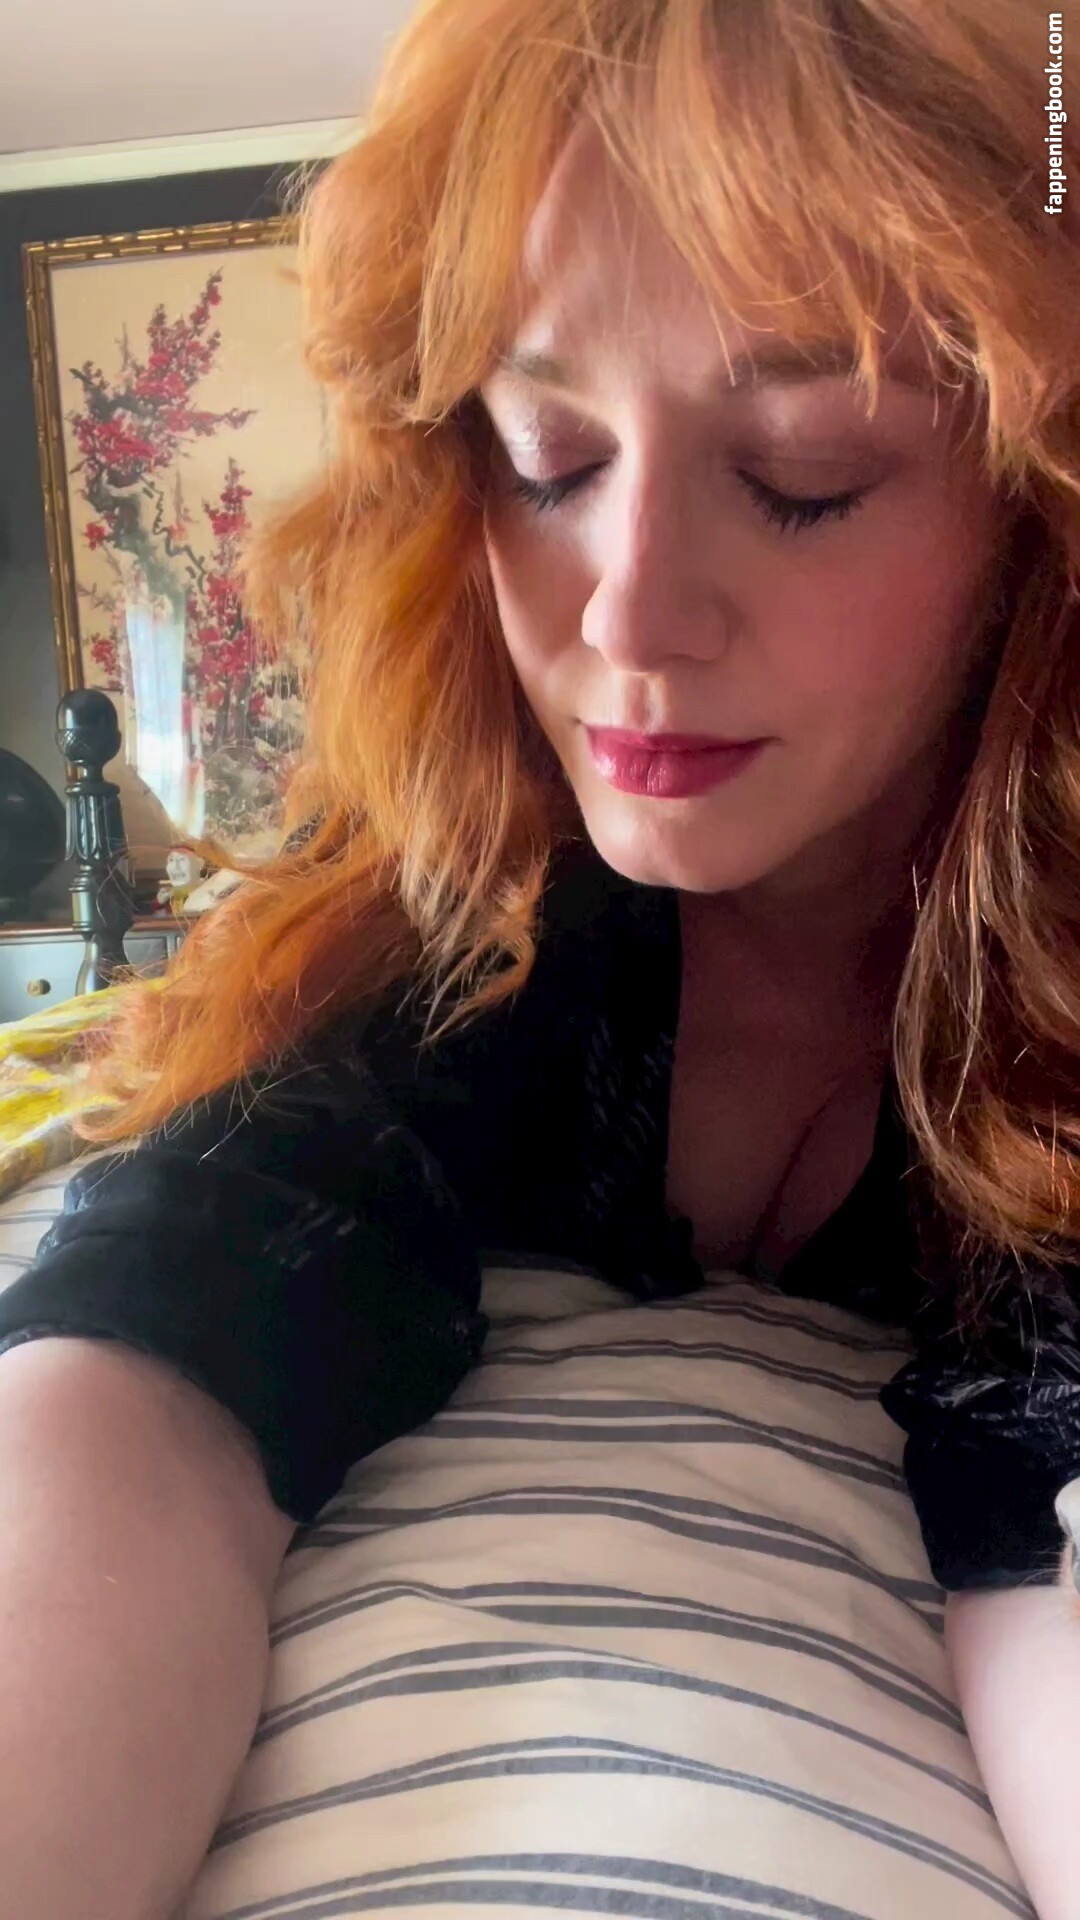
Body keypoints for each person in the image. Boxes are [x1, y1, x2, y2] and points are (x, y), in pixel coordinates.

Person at [1, 0, 1078, 1913]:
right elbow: (156, 1347)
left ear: (1036, 499)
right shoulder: (454, 889)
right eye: (546, 452)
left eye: (809, 470)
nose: (629, 617)